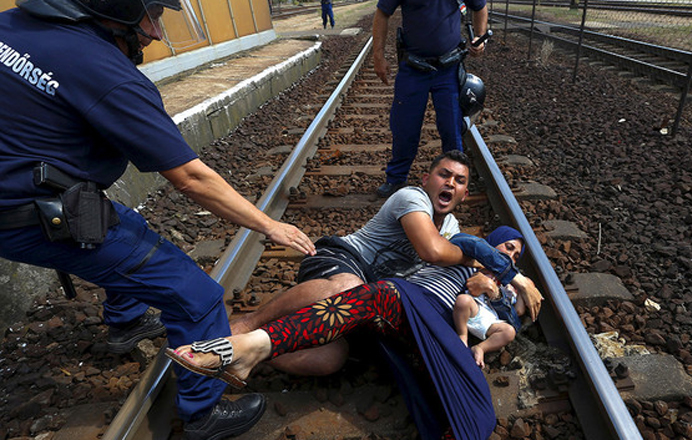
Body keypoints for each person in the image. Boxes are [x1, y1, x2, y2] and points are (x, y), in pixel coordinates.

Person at [0, 1, 315, 439]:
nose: (154, 33)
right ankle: (204, 415)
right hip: (27, 215)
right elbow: (189, 177)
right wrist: (268, 225)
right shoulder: (106, 73)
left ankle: (126, 322)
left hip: (21, 195)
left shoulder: (13, 23)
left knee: (121, 224)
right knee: (197, 296)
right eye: (151, 15)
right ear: (117, 7)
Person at [166, 226, 543, 440]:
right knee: (382, 295)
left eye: (516, 255)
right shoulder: (462, 251)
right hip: (408, 307)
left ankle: (253, 348)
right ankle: (255, 345)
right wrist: (513, 275)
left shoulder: (503, 294)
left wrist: (500, 294)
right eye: (506, 247)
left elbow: (516, 322)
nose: (509, 256)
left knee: (476, 421)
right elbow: (474, 244)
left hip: (437, 341)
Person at [229, 150, 477, 374]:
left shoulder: (452, 228)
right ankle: (248, 324)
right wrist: (471, 259)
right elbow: (432, 251)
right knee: (349, 287)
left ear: (464, 195)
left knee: (329, 359)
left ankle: (251, 349)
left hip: (366, 300)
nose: (450, 183)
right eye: (444, 175)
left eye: (459, 181)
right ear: (426, 179)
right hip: (342, 259)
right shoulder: (412, 196)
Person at [372, 0, 489, 198]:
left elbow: (479, 7)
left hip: (448, 68)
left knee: (451, 127)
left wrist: (479, 37)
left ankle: (456, 180)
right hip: (413, 68)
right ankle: (396, 179)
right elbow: (382, 14)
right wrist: (378, 55)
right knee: (404, 127)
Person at [453, 226, 527, 368]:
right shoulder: (471, 260)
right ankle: (462, 336)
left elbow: (518, 313)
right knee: (463, 300)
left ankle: (480, 347)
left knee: (509, 332)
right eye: (509, 247)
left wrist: (524, 289)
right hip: (470, 308)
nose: (510, 257)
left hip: (488, 318)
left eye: (516, 256)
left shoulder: (508, 282)